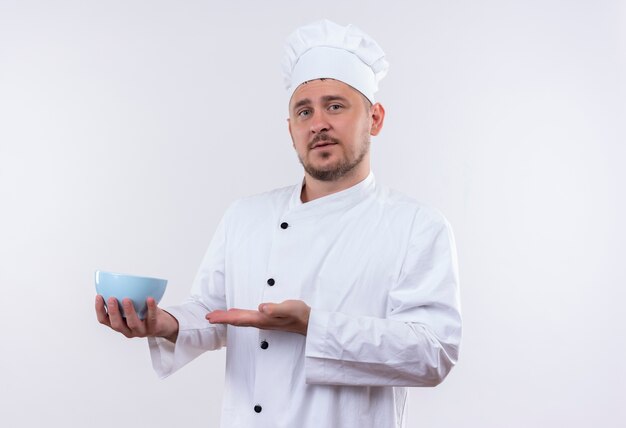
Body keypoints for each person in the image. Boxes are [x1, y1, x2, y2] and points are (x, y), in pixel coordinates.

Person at [95, 19, 462, 428]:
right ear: (291, 131)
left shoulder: (417, 226)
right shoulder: (245, 216)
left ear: (374, 118)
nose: (318, 122)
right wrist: (167, 324)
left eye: (335, 106)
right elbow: (215, 313)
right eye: (304, 111)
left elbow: (434, 353)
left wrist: (312, 326)